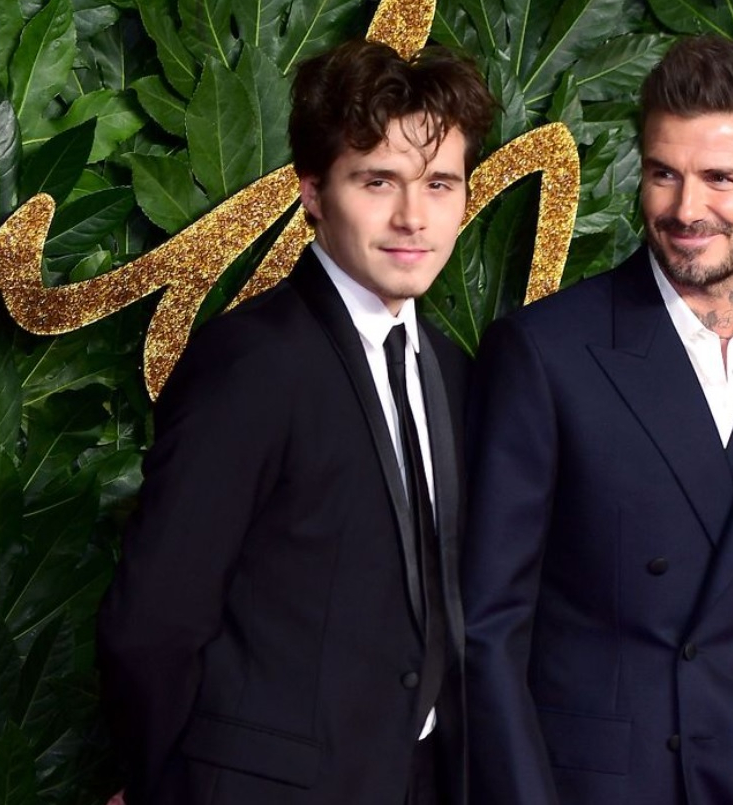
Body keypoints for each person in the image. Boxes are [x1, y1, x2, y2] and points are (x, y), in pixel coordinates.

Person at [462, 35, 733, 805]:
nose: (686, 210)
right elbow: (489, 625)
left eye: (720, 178)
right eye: (663, 174)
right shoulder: (545, 351)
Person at [96, 40, 495, 805]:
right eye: (376, 181)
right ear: (312, 191)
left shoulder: (448, 369)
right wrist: (166, 786)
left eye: (439, 184)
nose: (413, 217)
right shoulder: (252, 362)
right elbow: (152, 622)